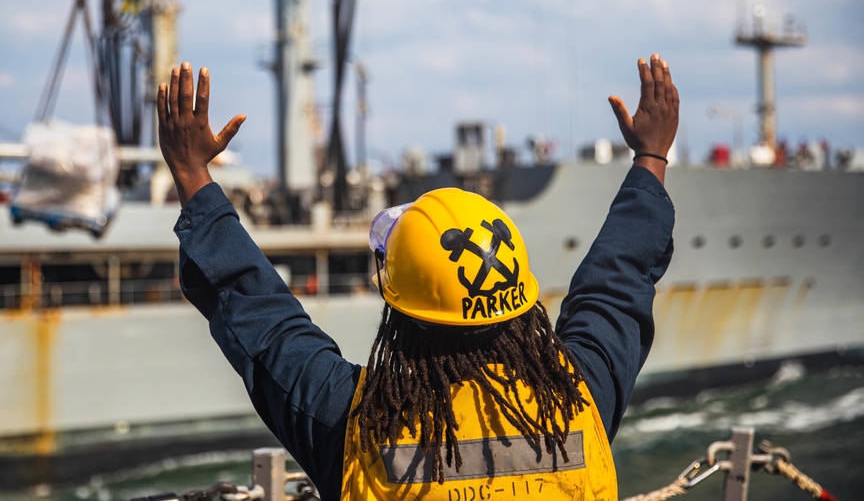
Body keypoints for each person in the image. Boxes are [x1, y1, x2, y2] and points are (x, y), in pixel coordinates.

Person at [157, 55, 678, 500]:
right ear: (519, 299)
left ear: (401, 311)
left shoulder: (355, 423)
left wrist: (192, 175)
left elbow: (263, 322)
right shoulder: (579, 397)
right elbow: (617, 284)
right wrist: (651, 157)